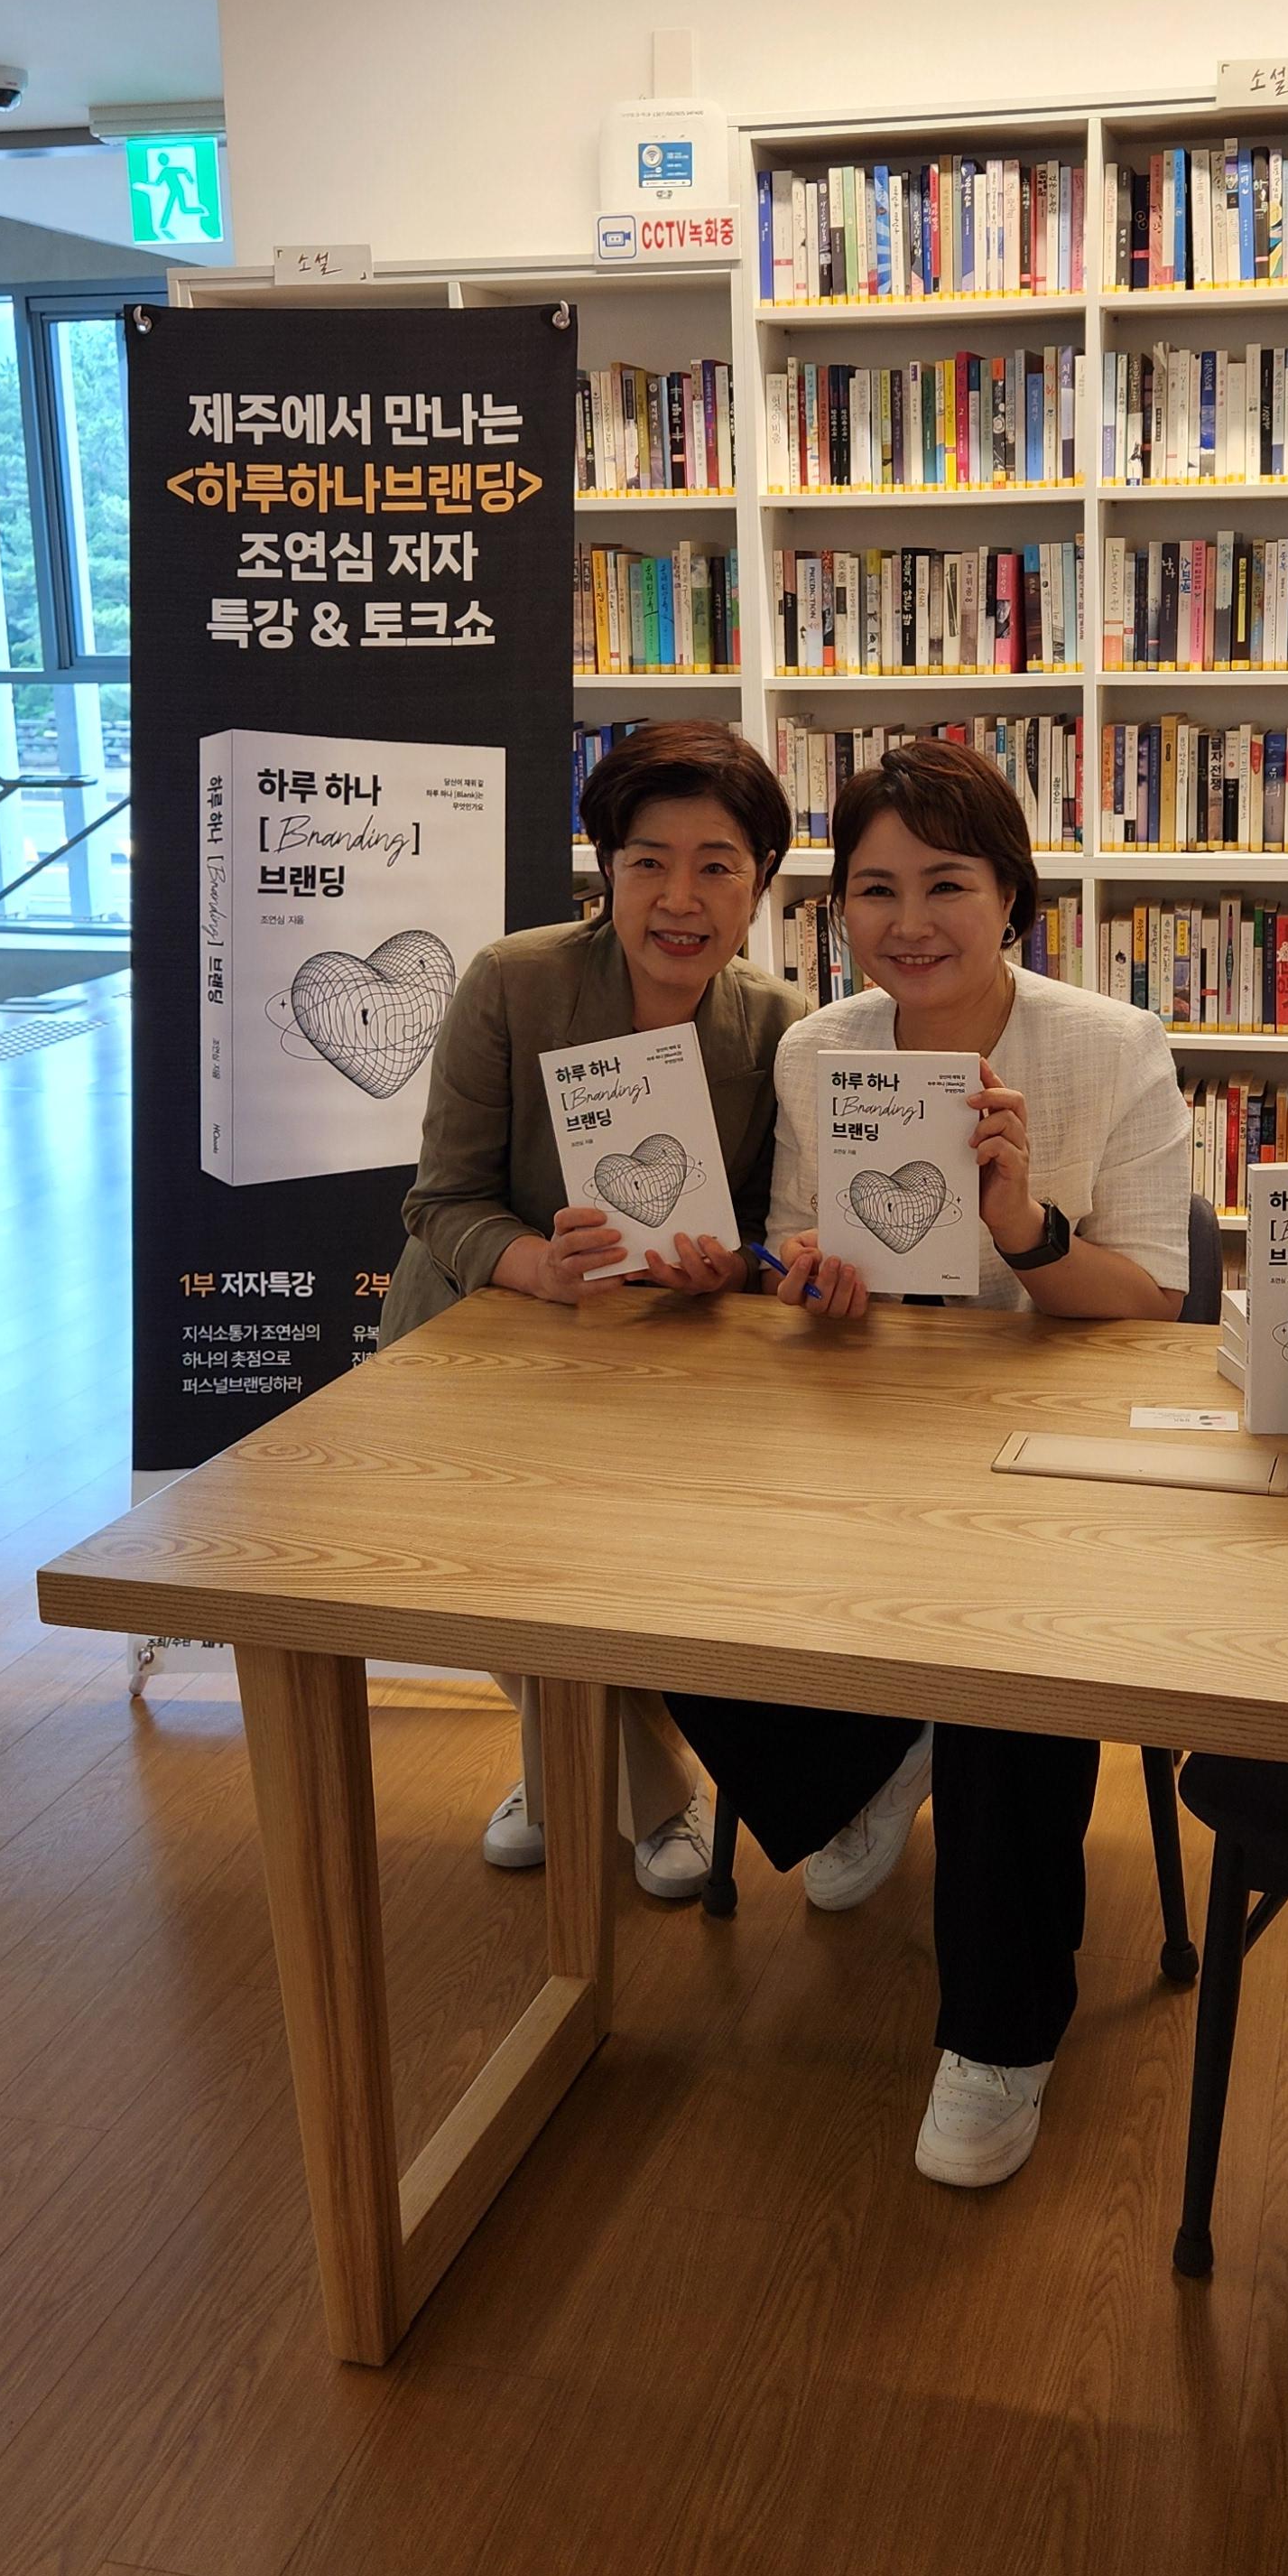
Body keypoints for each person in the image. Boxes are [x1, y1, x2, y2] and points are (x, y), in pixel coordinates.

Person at [665, 736, 1191, 2190]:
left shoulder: (1110, 1046)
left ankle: (1001, 2033)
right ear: (839, 908)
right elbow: (801, 1239)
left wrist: (1024, 1226)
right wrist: (810, 1276)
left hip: (1062, 1434)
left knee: (1017, 1666)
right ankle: (879, 1753)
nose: (910, 922)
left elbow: (1154, 1307)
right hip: (878, 1423)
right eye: (876, 889)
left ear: (1011, 894)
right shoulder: (820, 1049)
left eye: (946, 884)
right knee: (658, 1559)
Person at [377, 719, 806, 1894]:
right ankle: (644, 1789)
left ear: (761, 881)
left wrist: (733, 1265)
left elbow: (771, 1224)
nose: (680, 898)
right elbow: (441, 1199)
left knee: (644, 1555)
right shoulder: (514, 983)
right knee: (490, 1555)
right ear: (606, 869)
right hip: (481, 1334)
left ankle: (563, 1760)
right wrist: (535, 1265)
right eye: (647, 862)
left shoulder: (778, 1024)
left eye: (716, 865)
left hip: (663, 1354)